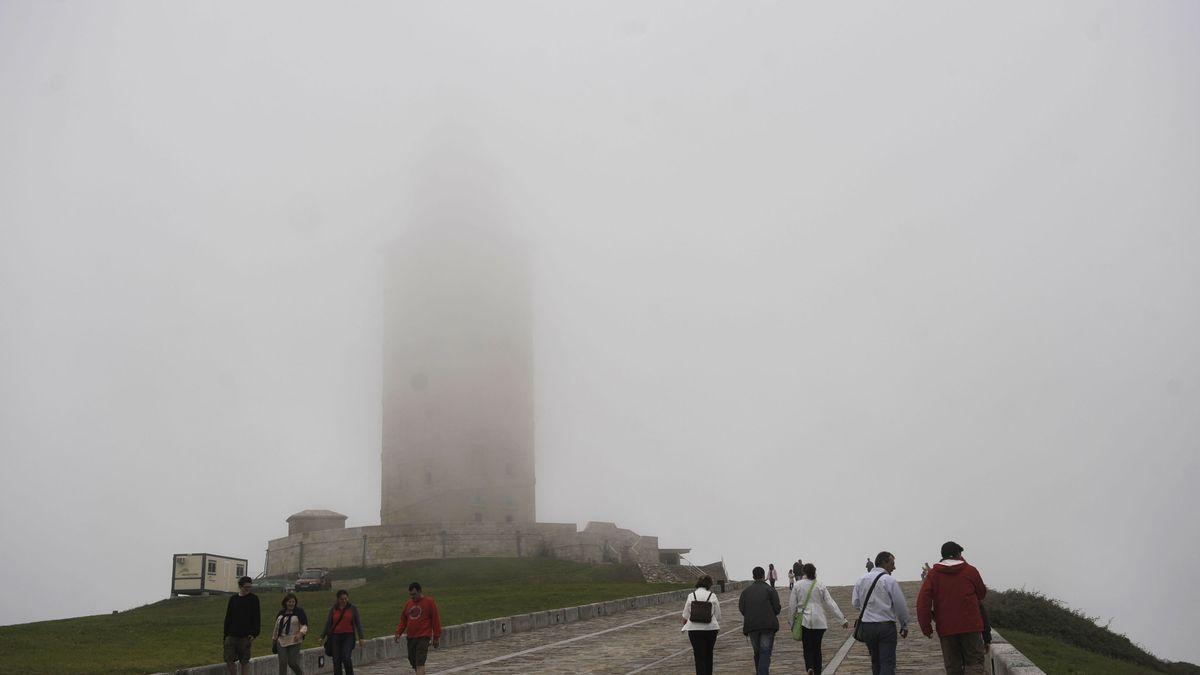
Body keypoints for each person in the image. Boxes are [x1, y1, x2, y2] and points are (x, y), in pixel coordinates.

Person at [917, 541, 988, 675]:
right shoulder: (970, 571)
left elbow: (923, 602)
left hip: (946, 628)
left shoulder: (933, 575)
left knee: (953, 667)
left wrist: (926, 628)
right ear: (958, 554)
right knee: (974, 663)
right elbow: (981, 593)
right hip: (971, 626)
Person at [852, 551, 910, 675]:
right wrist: (904, 625)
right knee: (887, 662)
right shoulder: (889, 580)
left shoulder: (861, 579)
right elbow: (900, 606)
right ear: (884, 562)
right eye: (892, 563)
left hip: (867, 627)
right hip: (886, 627)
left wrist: (868, 610)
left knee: (875, 661)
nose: (894, 567)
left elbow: (855, 603)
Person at [788, 563, 848, 675]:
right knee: (817, 648)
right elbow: (831, 603)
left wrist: (791, 622)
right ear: (814, 572)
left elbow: (792, 606)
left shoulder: (798, 585)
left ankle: (810, 667)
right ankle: (818, 672)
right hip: (819, 622)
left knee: (807, 647)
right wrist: (842, 620)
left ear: (803, 572)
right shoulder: (820, 585)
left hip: (804, 621)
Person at [738, 566, 781, 675]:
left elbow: (742, 609)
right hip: (767, 625)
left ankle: (760, 672)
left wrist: (751, 615)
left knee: (757, 652)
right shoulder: (770, 590)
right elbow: (777, 608)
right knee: (765, 651)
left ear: (753, 576)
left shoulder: (745, 592)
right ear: (763, 576)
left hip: (752, 626)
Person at [394, 581, 442, 675]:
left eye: (414, 594)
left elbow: (436, 620)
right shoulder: (408, 604)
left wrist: (436, 637)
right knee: (413, 661)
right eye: (410, 595)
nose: (412, 597)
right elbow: (403, 620)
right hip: (411, 638)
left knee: (420, 661)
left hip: (423, 637)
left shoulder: (429, 602)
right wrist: (398, 632)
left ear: (420, 591)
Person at [681, 574, 722, 675]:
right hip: (711, 629)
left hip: (694, 629)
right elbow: (718, 615)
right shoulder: (712, 596)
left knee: (699, 656)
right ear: (709, 584)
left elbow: (685, 615)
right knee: (709, 654)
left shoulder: (691, 596)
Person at [319, 590, 365, 675]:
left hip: (348, 636)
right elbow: (328, 623)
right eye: (341, 599)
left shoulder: (352, 608)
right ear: (337, 599)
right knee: (336, 660)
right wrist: (322, 636)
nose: (344, 601)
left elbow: (358, 623)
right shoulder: (333, 609)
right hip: (335, 637)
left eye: (345, 599)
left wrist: (361, 637)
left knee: (346, 657)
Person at [223, 576, 261, 675]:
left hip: (245, 636)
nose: (248, 589)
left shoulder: (254, 599)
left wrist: (254, 633)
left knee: (244, 661)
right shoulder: (233, 599)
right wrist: (225, 635)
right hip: (231, 635)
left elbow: (256, 617)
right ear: (240, 586)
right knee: (228, 659)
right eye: (246, 587)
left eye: (250, 587)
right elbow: (228, 617)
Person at [271, 592, 308, 675]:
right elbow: (276, 627)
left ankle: (300, 673)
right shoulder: (281, 613)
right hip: (281, 640)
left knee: (292, 662)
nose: (291, 604)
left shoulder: (299, 612)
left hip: (294, 640)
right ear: (285, 602)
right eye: (289, 602)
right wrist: (274, 639)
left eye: (293, 602)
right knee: (282, 662)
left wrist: (300, 634)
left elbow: (304, 625)